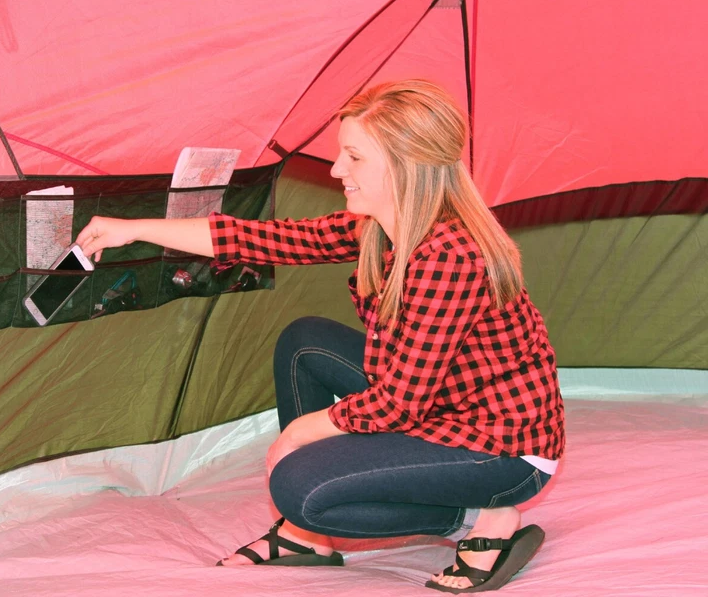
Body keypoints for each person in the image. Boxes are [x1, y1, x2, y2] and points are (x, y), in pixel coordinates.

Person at [76, 80, 565, 593]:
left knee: (298, 487)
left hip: (501, 448)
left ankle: (481, 523)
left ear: (406, 163)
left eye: (354, 157)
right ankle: (307, 541)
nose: (336, 170)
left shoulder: (450, 255)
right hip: (444, 403)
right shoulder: (379, 225)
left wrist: (307, 430)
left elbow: (399, 404)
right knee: (304, 342)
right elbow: (264, 239)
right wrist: (133, 227)